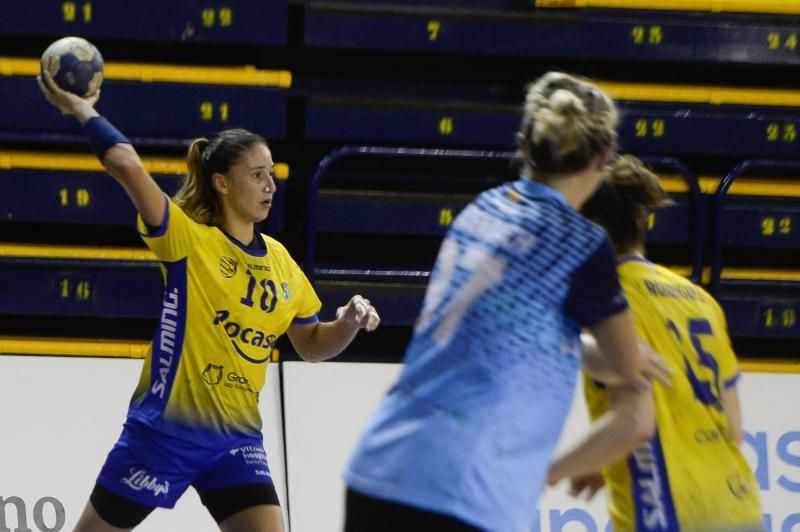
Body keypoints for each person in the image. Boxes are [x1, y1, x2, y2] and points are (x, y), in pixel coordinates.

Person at [37, 73, 380, 532]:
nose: (270, 185)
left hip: (236, 442)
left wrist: (350, 322)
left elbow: (312, 346)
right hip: (164, 434)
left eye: (272, 174)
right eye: (257, 175)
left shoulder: (280, 262)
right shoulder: (187, 240)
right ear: (221, 182)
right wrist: (82, 108)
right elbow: (127, 167)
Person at [343, 72, 657, 532]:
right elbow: (627, 369)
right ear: (605, 156)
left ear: (524, 145)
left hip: (381, 467)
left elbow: (498, 327)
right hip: (466, 489)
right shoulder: (581, 244)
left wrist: (587, 351)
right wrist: (626, 359)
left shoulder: (481, 209)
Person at [573, 154, 764, 531]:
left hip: (666, 514)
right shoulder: (698, 298)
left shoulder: (605, 301)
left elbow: (633, 423)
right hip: (739, 510)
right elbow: (734, 429)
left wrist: (560, 468)